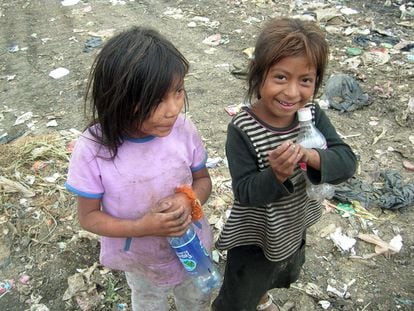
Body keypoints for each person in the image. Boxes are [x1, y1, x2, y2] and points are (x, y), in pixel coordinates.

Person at [212, 18, 357, 311]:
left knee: (284, 270)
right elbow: (245, 192)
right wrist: (276, 173)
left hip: (294, 221)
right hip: (256, 233)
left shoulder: (312, 115)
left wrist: (312, 155)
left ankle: (263, 296)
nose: (292, 93)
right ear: (258, 75)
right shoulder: (242, 127)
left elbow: (347, 162)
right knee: (240, 294)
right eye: (280, 77)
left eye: (305, 80)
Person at [65, 26, 213, 311]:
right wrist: (141, 227)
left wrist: (187, 199)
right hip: (141, 259)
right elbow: (89, 217)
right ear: (118, 98)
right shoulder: (94, 149)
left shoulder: (183, 130)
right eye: (157, 99)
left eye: (178, 91)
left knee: (195, 300)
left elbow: (203, 180)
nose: (172, 109)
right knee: (148, 302)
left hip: (191, 246)